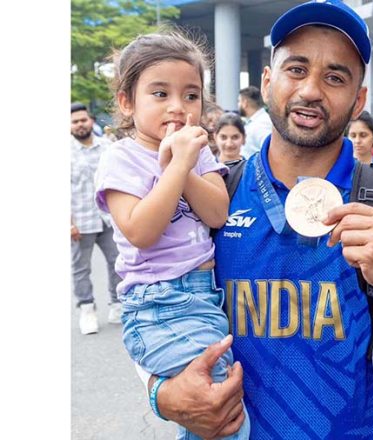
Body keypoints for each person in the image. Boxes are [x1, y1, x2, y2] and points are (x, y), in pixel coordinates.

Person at [147, 1, 373, 439]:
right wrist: (161, 392)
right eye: (296, 69)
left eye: (335, 77)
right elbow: (152, 300)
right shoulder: (212, 193)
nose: (310, 91)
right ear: (267, 82)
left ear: (359, 99)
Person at [93, 30, 251, 440]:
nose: (178, 108)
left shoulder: (198, 152)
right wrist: (175, 166)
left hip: (203, 297)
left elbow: (217, 212)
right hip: (160, 302)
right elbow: (142, 230)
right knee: (222, 415)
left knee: (213, 416)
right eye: (160, 94)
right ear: (128, 101)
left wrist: (184, 161)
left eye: (191, 95)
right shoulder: (121, 158)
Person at [70, 102, 122, 335]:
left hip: (108, 218)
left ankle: (116, 304)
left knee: (117, 262)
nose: (80, 124)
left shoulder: (106, 146)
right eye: (75, 121)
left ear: (90, 120)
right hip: (80, 221)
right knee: (81, 268)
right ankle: (87, 308)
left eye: (83, 120)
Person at [238, 86, 273, 159]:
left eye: (239, 101)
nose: (238, 104)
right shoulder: (256, 121)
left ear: (245, 103)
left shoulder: (261, 123)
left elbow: (270, 151)